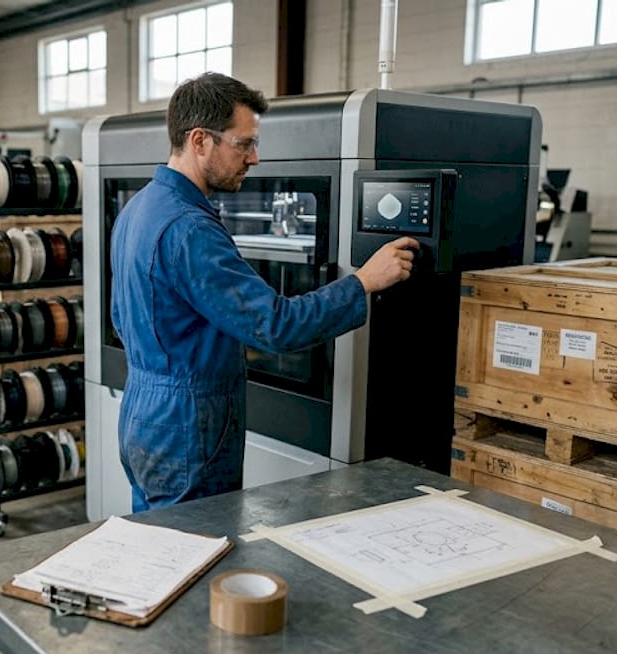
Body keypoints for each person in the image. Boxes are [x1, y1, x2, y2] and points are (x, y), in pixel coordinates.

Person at [110, 72, 418, 512]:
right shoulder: (189, 229)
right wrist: (364, 281)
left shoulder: (138, 208)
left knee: (159, 549)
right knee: (197, 553)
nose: (254, 158)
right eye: (244, 144)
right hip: (186, 426)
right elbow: (275, 325)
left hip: (143, 412)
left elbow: (122, 319)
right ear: (200, 141)